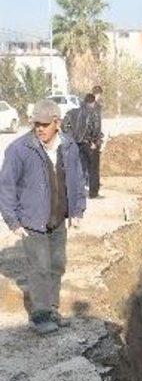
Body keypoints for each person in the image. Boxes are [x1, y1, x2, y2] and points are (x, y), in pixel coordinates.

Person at [0, 99, 86, 334]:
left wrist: (77, 210)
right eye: (36, 124)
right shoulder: (19, 149)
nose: (40, 128)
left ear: (57, 123)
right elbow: (6, 187)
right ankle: (40, 315)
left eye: (45, 124)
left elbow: (77, 180)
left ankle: (52, 309)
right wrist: (13, 221)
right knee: (40, 267)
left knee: (57, 265)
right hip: (32, 222)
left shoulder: (68, 146)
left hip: (58, 219)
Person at [62, 93, 101, 194]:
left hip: (76, 144)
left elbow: (64, 126)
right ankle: (93, 193)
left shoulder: (72, 112)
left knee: (79, 168)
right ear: (92, 102)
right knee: (93, 169)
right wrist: (95, 142)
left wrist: (71, 138)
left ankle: (77, 192)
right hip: (89, 144)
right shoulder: (94, 113)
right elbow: (96, 129)